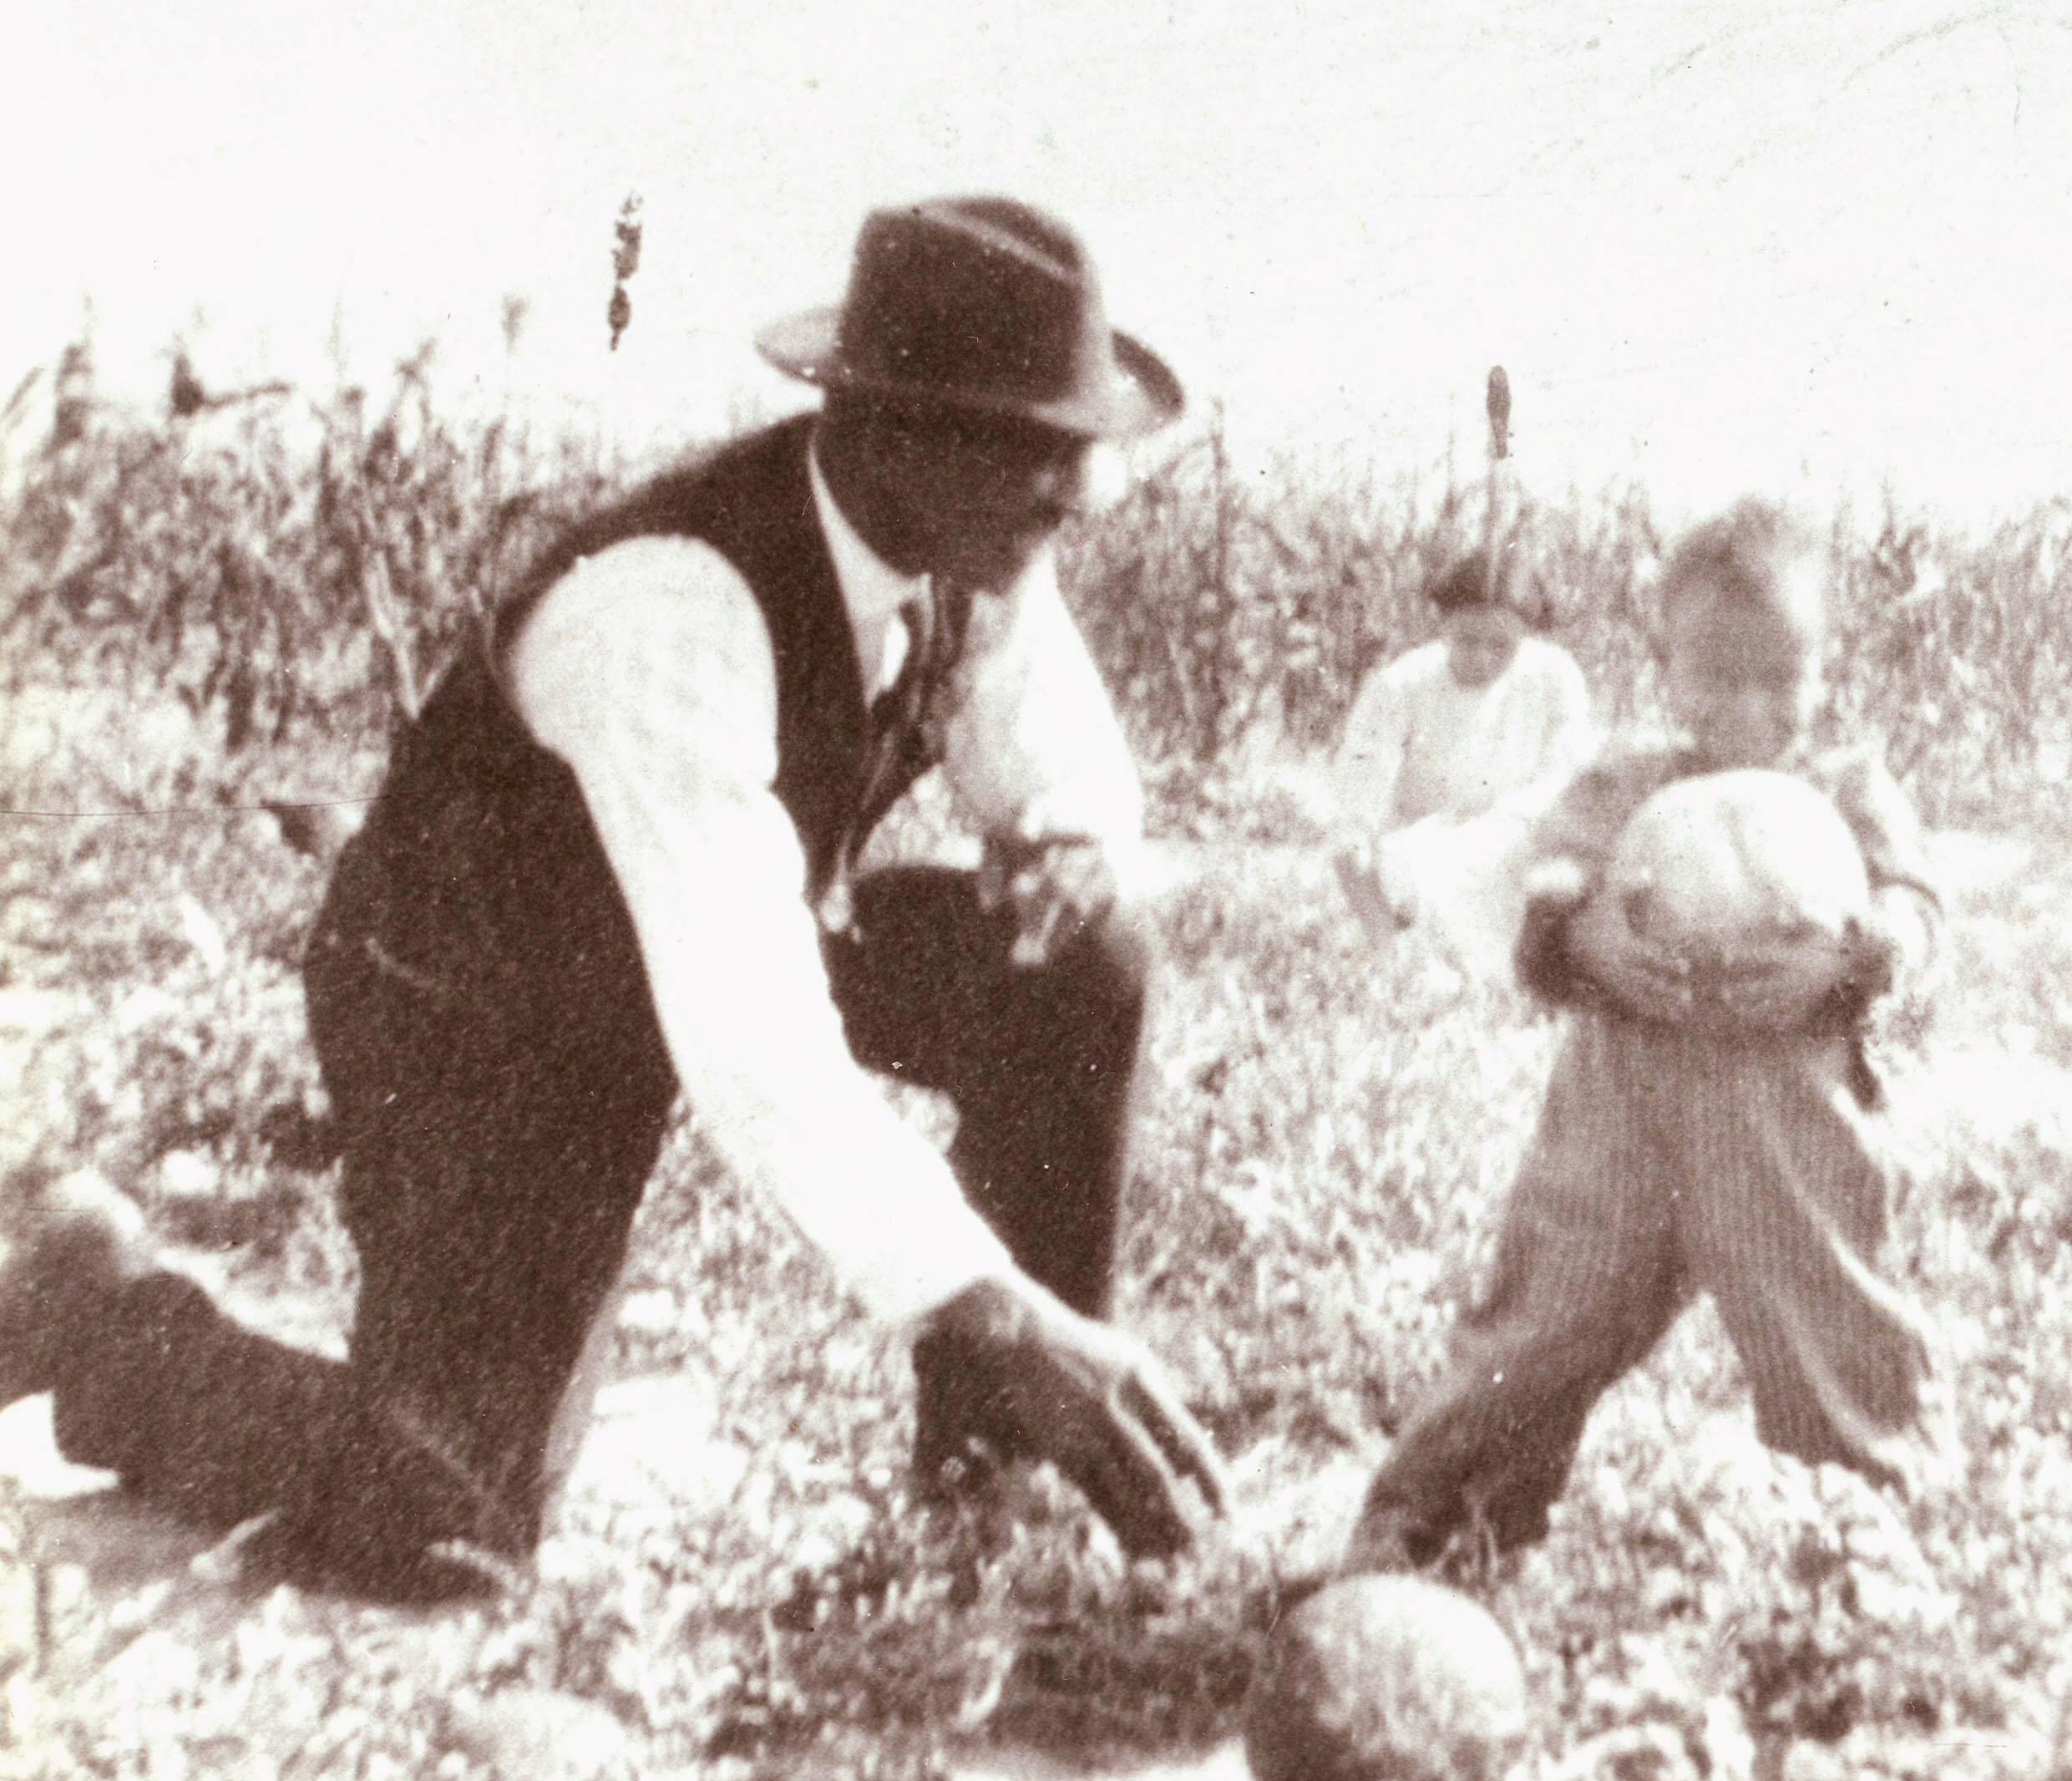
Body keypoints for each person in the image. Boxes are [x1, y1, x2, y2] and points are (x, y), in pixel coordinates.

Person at [0, 197, 1231, 1597]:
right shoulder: (668, 605)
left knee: (1080, 954)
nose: (1082, 489)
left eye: (1080, 445)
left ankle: (984, 1502)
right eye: (1040, 447)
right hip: (487, 1015)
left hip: (708, 947)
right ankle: (92, 1306)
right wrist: (1004, 1312)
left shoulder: (973, 543)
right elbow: (755, 1048)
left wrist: (1075, 839)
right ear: (895, 430)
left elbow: (1059, 753)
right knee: (451, 1516)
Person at [1343, 495, 1950, 1577]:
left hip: (1785, 1131)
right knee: (1539, 1324)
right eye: (1717, 678)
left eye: (1782, 676)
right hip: (1616, 1116)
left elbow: (1915, 914)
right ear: (1664, 667)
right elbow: (1543, 900)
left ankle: (1866, 1554)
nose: (1750, 708)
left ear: (1825, 666)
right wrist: (1588, 941)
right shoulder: (1624, 783)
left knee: (1826, 1328)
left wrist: (1852, 956)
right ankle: (1437, 1527)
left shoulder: (1850, 789)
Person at [1326, 550, 1594, 962]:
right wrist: (1382, 935)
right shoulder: (1400, 686)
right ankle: (1412, 947)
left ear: (1526, 634)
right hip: (1426, 849)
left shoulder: (1555, 676)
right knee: (1382, 868)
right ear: (1443, 625)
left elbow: (1564, 782)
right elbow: (1356, 811)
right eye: (1466, 640)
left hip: (1519, 846)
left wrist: (1504, 833)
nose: (1483, 658)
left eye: (1502, 645)